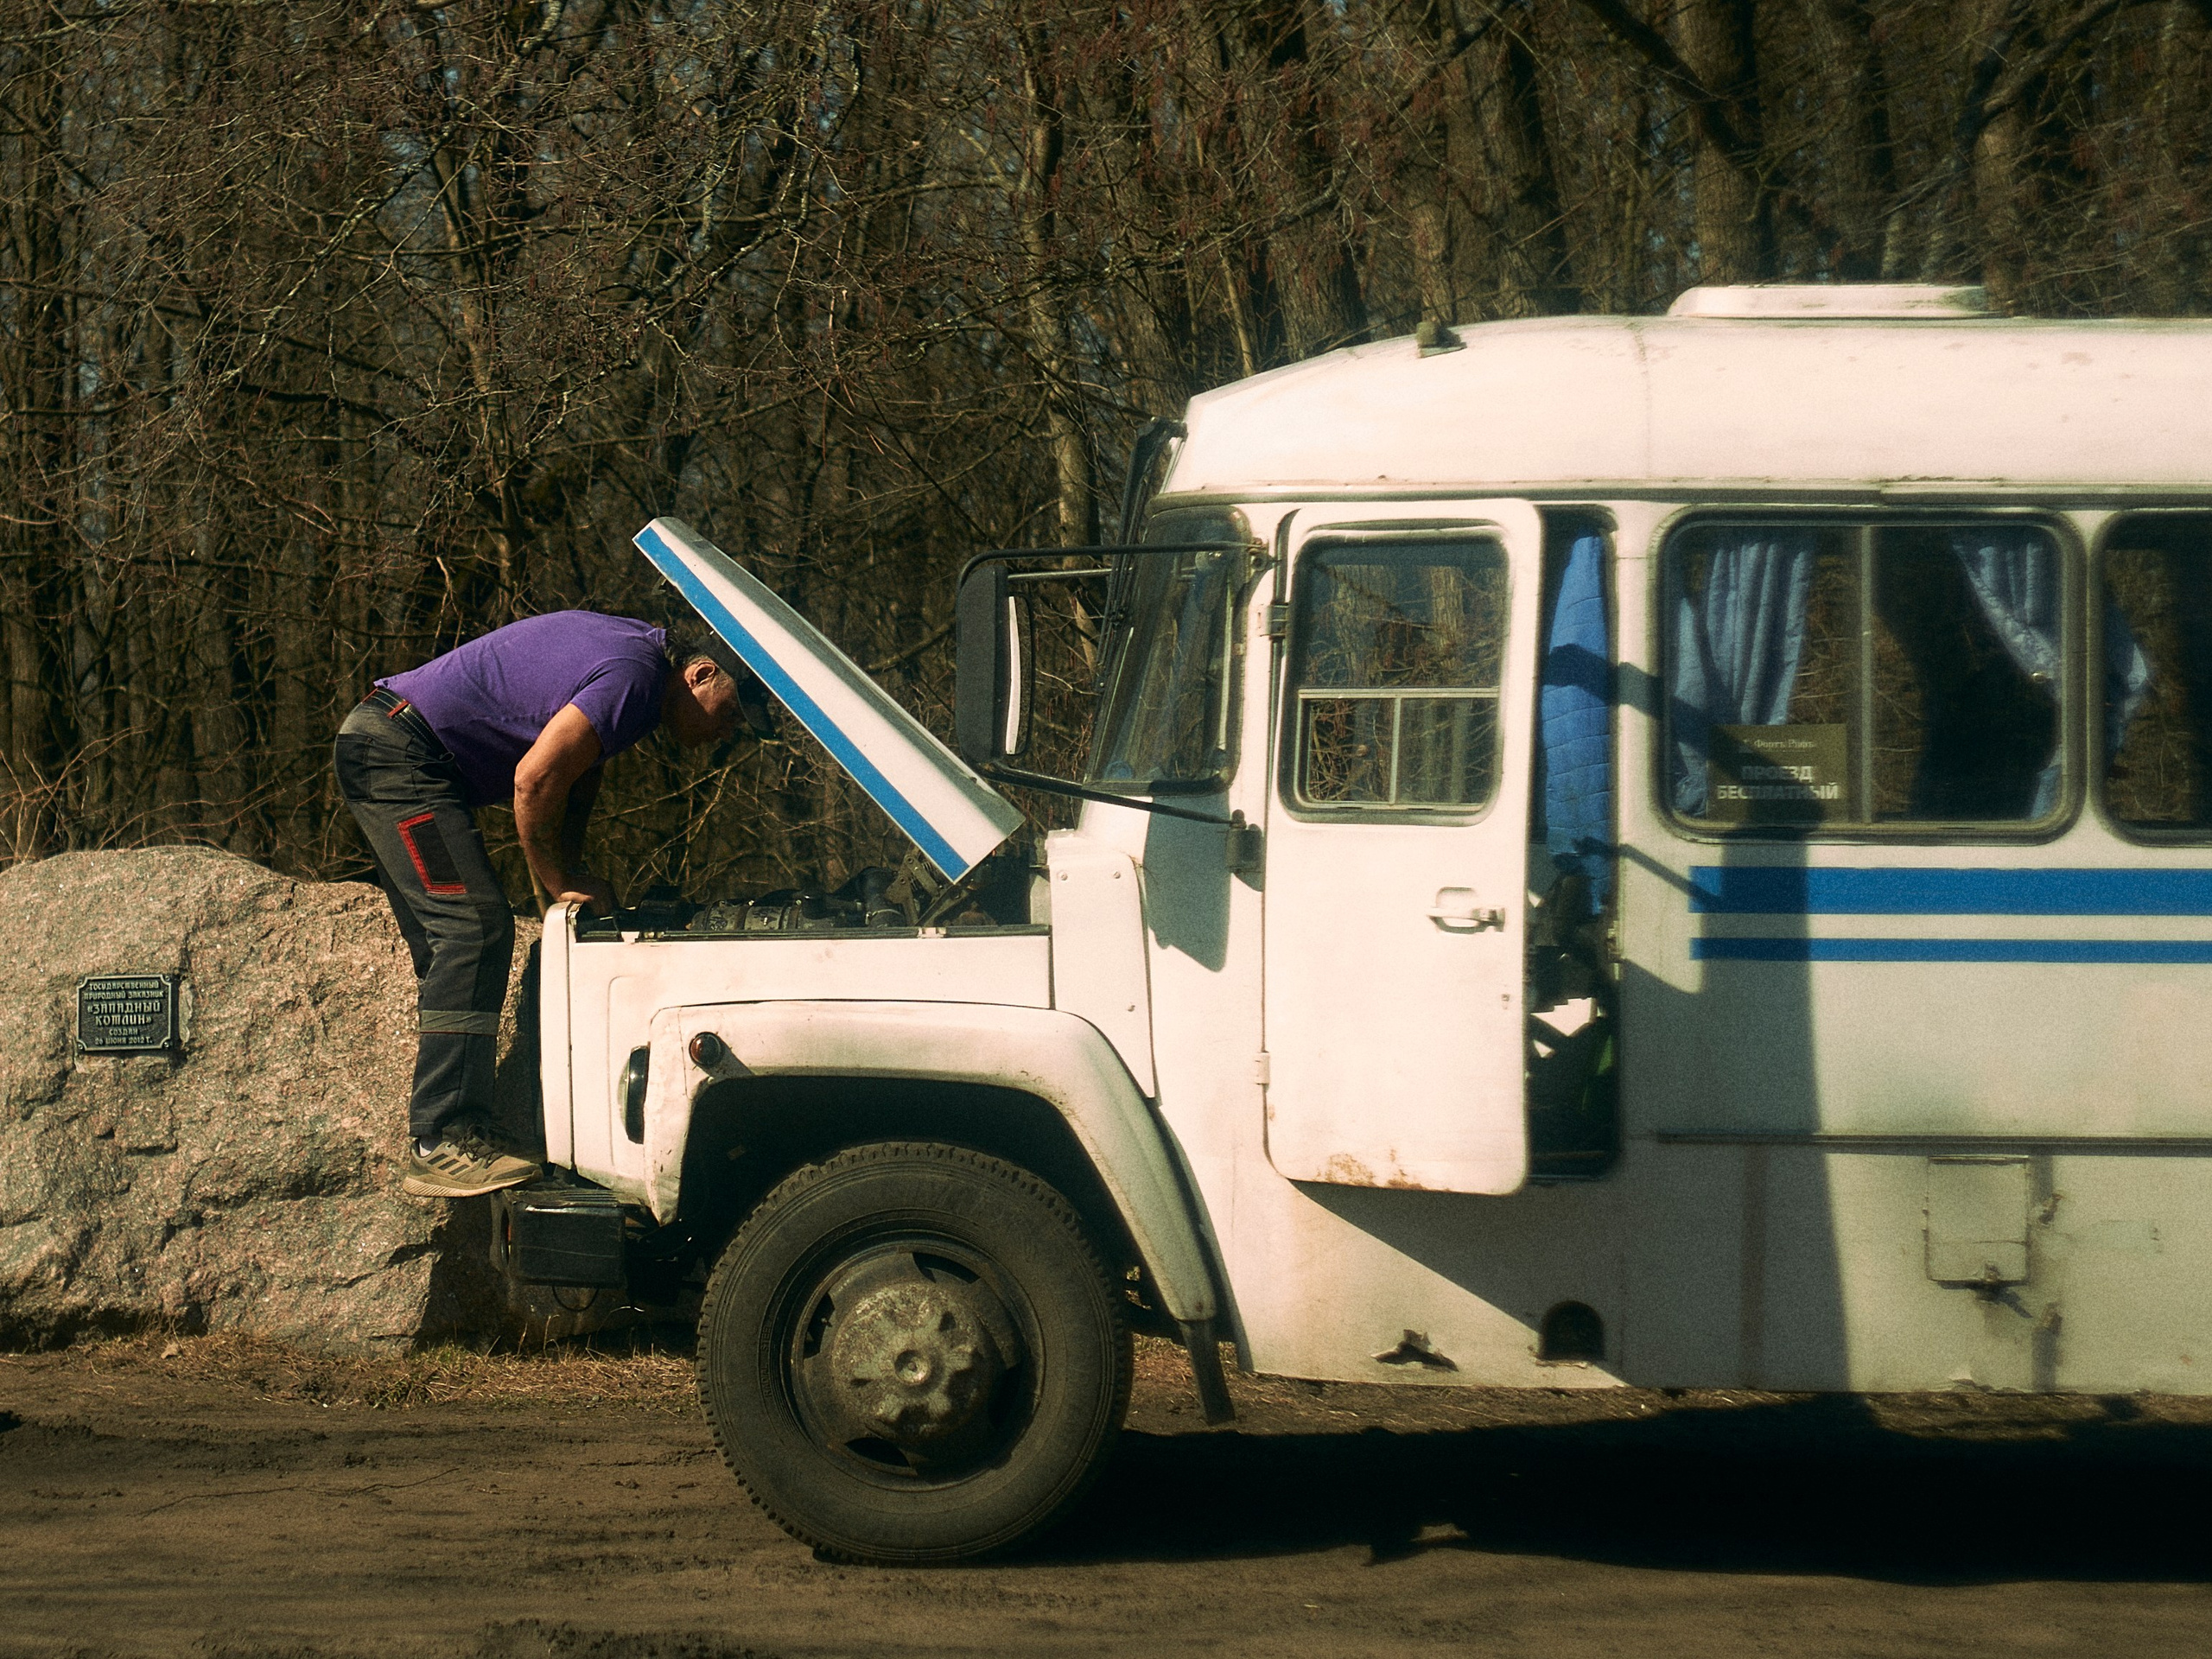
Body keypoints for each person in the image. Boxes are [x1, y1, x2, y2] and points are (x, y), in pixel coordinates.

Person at [333, 612, 771, 1198]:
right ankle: (441, 1139)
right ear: (702, 673)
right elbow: (536, 780)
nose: (728, 732)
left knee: (451, 949)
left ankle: (454, 1120)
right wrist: (558, 880)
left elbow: (577, 774)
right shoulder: (635, 675)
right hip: (396, 754)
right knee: (473, 930)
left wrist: (574, 870)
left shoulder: (637, 665)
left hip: (390, 743)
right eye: (733, 713)